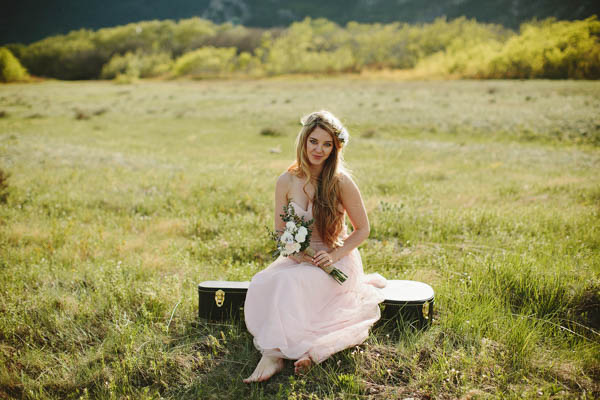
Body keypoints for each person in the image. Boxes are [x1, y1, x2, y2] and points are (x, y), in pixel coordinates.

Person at [243, 110, 386, 383]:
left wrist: (333, 256)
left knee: (291, 285)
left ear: (335, 148)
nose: (318, 149)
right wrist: (298, 255)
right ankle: (280, 349)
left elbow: (363, 230)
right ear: (303, 141)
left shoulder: (340, 181)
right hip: (300, 258)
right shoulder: (285, 181)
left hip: (337, 259)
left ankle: (273, 354)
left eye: (327, 144)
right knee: (264, 281)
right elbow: (280, 232)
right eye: (313, 141)